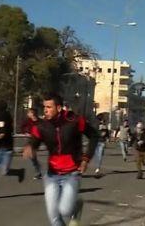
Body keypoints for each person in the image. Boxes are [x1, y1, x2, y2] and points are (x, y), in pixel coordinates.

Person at [24, 93, 99, 226]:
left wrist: (86, 159)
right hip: (52, 175)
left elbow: (94, 136)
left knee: (64, 210)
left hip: (71, 174)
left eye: (49, 107)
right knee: (54, 218)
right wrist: (30, 147)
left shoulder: (75, 121)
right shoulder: (42, 126)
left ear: (59, 108)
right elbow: (34, 139)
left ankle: (76, 208)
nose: (45, 110)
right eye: (44, 107)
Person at [21, 107, 43, 180]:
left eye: (30, 113)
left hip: (37, 140)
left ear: (34, 114)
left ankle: (38, 171)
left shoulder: (40, 121)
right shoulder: (27, 121)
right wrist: (26, 133)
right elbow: (22, 127)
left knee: (32, 154)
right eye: (29, 113)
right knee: (32, 156)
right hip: (29, 139)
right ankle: (38, 170)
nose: (29, 114)